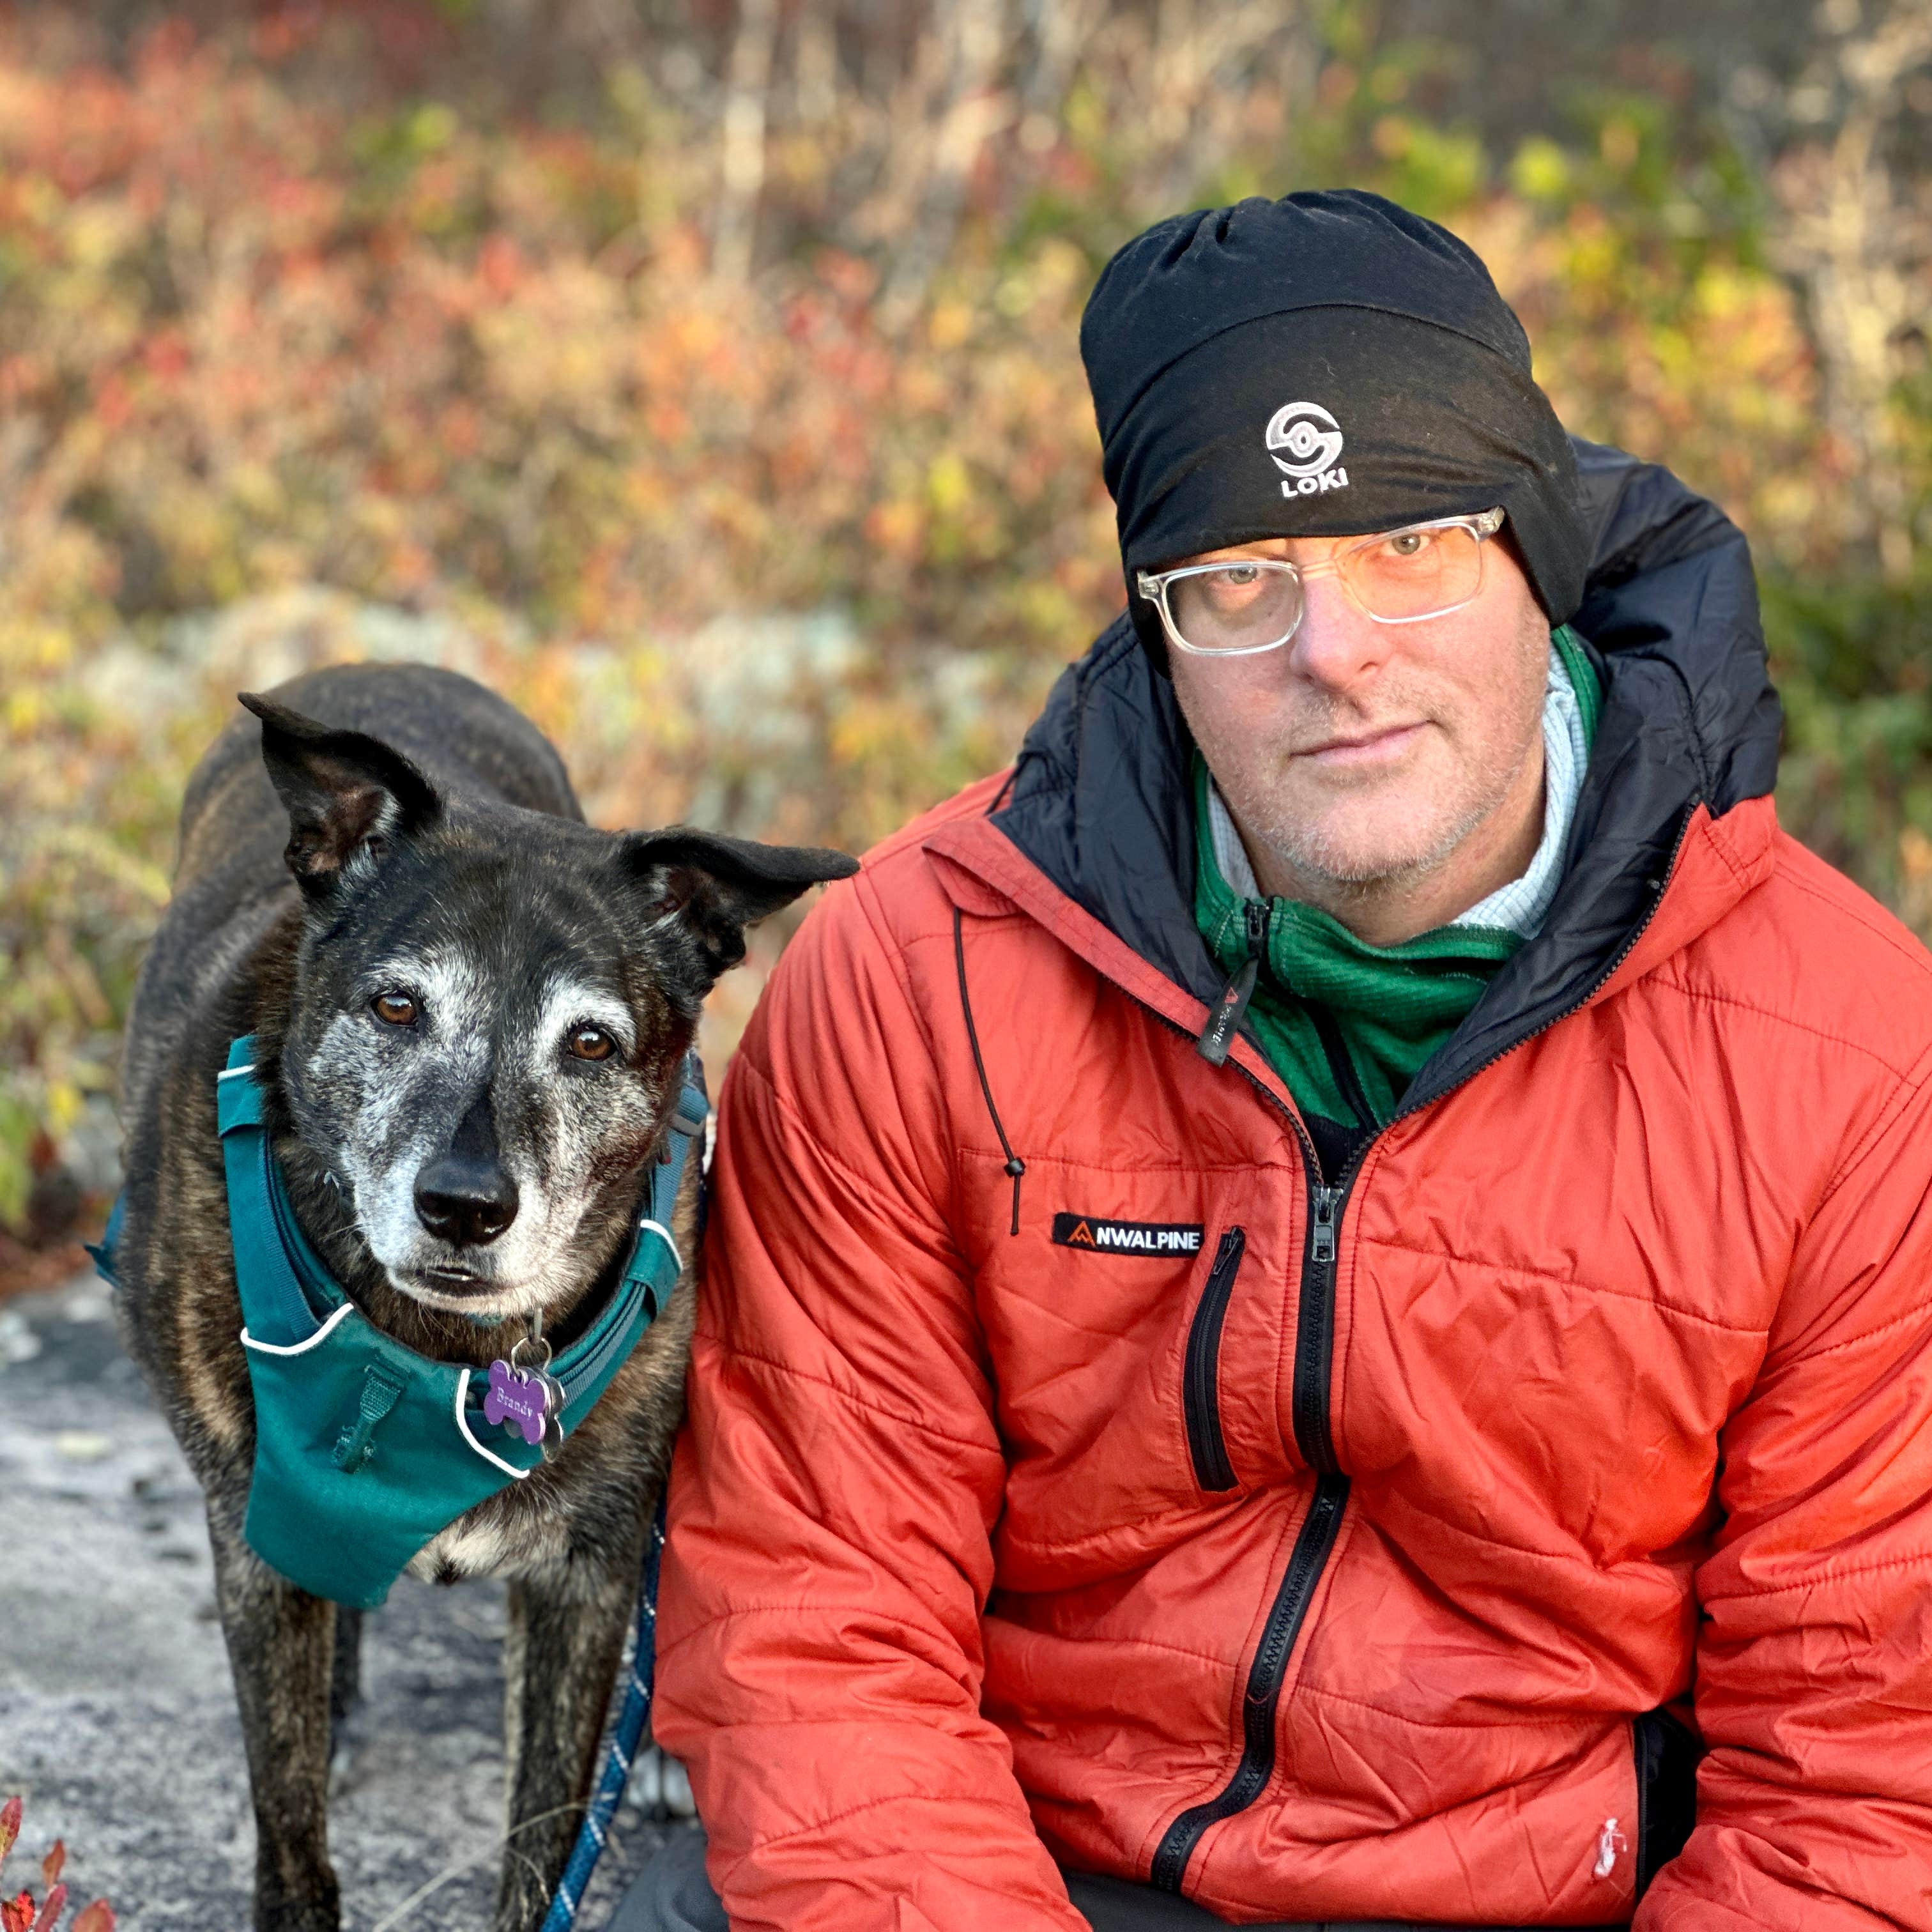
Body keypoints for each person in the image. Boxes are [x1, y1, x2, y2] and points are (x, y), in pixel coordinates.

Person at [611, 192, 1932, 1930]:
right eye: (1239, 580)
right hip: (1015, 1857)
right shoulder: (915, 975)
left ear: (1537, 557)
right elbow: (817, 1626)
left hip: (1570, 1893)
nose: (1334, 656)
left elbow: (1858, 1762)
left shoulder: (1843, 1053)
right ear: (1156, 625)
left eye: (1415, 544)